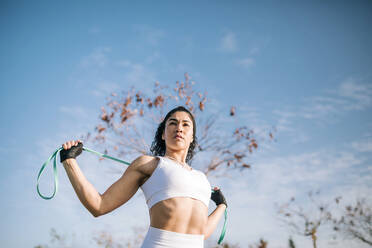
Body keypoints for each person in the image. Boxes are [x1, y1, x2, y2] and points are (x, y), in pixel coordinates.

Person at [61, 106, 227, 248]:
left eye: (186, 124)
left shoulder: (202, 179)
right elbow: (98, 206)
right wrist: (69, 160)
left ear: (192, 137)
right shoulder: (150, 164)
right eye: (173, 123)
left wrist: (221, 205)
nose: (179, 128)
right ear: (163, 134)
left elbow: (201, 232)